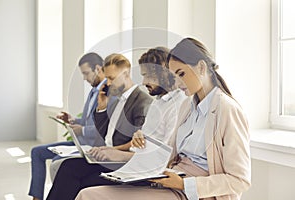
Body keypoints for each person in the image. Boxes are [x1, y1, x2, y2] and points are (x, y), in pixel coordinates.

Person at [75, 38, 251, 200]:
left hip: (193, 192)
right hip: (167, 179)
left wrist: (183, 184)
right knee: (87, 194)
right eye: (175, 76)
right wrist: (142, 160)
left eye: (181, 74)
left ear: (202, 68)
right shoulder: (187, 107)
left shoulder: (227, 110)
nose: (178, 83)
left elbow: (239, 180)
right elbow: (168, 152)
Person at [46, 53, 153, 200]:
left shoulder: (142, 101)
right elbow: (103, 133)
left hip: (121, 162)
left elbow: (139, 142)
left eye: (111, 78)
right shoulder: (115, 100)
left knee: (83, 182)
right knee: (67, 167)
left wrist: (112, 151)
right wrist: (102, 107)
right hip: (106, 158)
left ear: (126, 74)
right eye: (107, 78)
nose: (107, 83)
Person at [28, 52, 107, 200]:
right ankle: (36, 198)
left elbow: (105, 128)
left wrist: (82, 130)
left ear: (97, 68)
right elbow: (87, 121)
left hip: (92, 145)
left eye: (86, 73)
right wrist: (73, 120)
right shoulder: (93, 92)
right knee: (37, 152)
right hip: (81, 142)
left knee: (59, 161)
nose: (84, 78)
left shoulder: (107, 92)